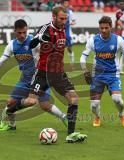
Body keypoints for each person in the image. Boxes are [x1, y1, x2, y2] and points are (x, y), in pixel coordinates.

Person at [20, 6, 87, 143]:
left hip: (59, 73)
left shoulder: (63, 30)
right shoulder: (46, 29)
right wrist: (39, 38)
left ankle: (71, 134)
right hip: (43, 73)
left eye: (65, 19)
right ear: (54, 17)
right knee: (31, 101)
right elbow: (30, 46)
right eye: (61, 19)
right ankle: (10, 110)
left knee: (73, 99)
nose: (64, 21)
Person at [0, 19, 67, 131]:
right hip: (24, 79)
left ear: (27, 30)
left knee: (44, 105)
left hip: (39, 77)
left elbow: (47, 50)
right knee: (10, 102)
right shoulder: (12, 45)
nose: (22, 35)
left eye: (24, 32)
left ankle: (64, 118)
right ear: (14, 31)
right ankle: (12, 125)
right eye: (19, 33)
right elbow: (4, 57)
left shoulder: (34, 41)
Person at [80, 16, 124, 128]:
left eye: (106, 28)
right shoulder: (93, 40)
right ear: (99, 28)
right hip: (97, 76)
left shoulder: (118, 40)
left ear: (111, 27)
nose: (104, 30)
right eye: (101, 28)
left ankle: (122, 114)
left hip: (113, 75)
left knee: (117, 100)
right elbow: (83, 57)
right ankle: (97, 117)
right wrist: (85, 71)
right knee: (94, 105)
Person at [62, 0, 76, 68]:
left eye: (67, 3)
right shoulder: (60, 12)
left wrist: (71, 23)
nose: (66, 4)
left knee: (69, 48)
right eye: (65, 3)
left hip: (68, 32)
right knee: (61, 48)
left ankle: (72, 64)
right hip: (61, 32)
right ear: (63, 4)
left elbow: (74, 21)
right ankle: (61, 64)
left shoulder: (70, 12)